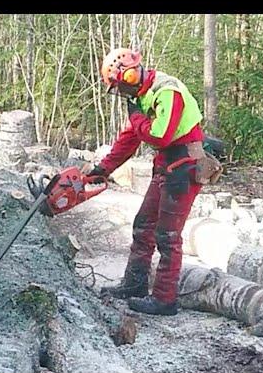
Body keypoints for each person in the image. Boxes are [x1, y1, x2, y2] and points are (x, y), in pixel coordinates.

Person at [84, 47, 220, 316]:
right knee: (143, 224)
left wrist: (136, 117)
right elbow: (129, 139)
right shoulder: (144, 96)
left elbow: (160, 136)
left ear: (131, 75)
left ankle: (165, 299)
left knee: (168, 236)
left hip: (184, 166)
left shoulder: (167, 91)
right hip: (167, 166)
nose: (123, 93)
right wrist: (102, 168)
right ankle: (135, 284)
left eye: (122, 87)